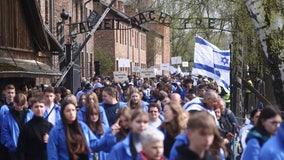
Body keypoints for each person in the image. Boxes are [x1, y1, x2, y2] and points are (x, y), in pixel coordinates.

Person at [47, 99, 119, 160]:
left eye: (73, 110)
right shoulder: (56, 131)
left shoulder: (82, 126)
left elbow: (95, 144)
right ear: (63, 113)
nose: (71, 113)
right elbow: (52, 155)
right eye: (68, 111)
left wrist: (110, 133)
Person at [1, 93, 33, 160]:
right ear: (14, 102)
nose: (19, 107)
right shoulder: (8, 115)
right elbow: (4, 131)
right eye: (17, 105)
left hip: (28, 148)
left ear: (24, 104)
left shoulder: (30, 113)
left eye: (21, 105)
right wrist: (11, 144)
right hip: (14, 149)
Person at [0, 84, 16, 160]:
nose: (10, 95)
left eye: (12, 93)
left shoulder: (17, 106)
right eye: (9, 92)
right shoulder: (1, 105)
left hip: (13, 137)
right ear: (5, 93)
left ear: (15, 93)